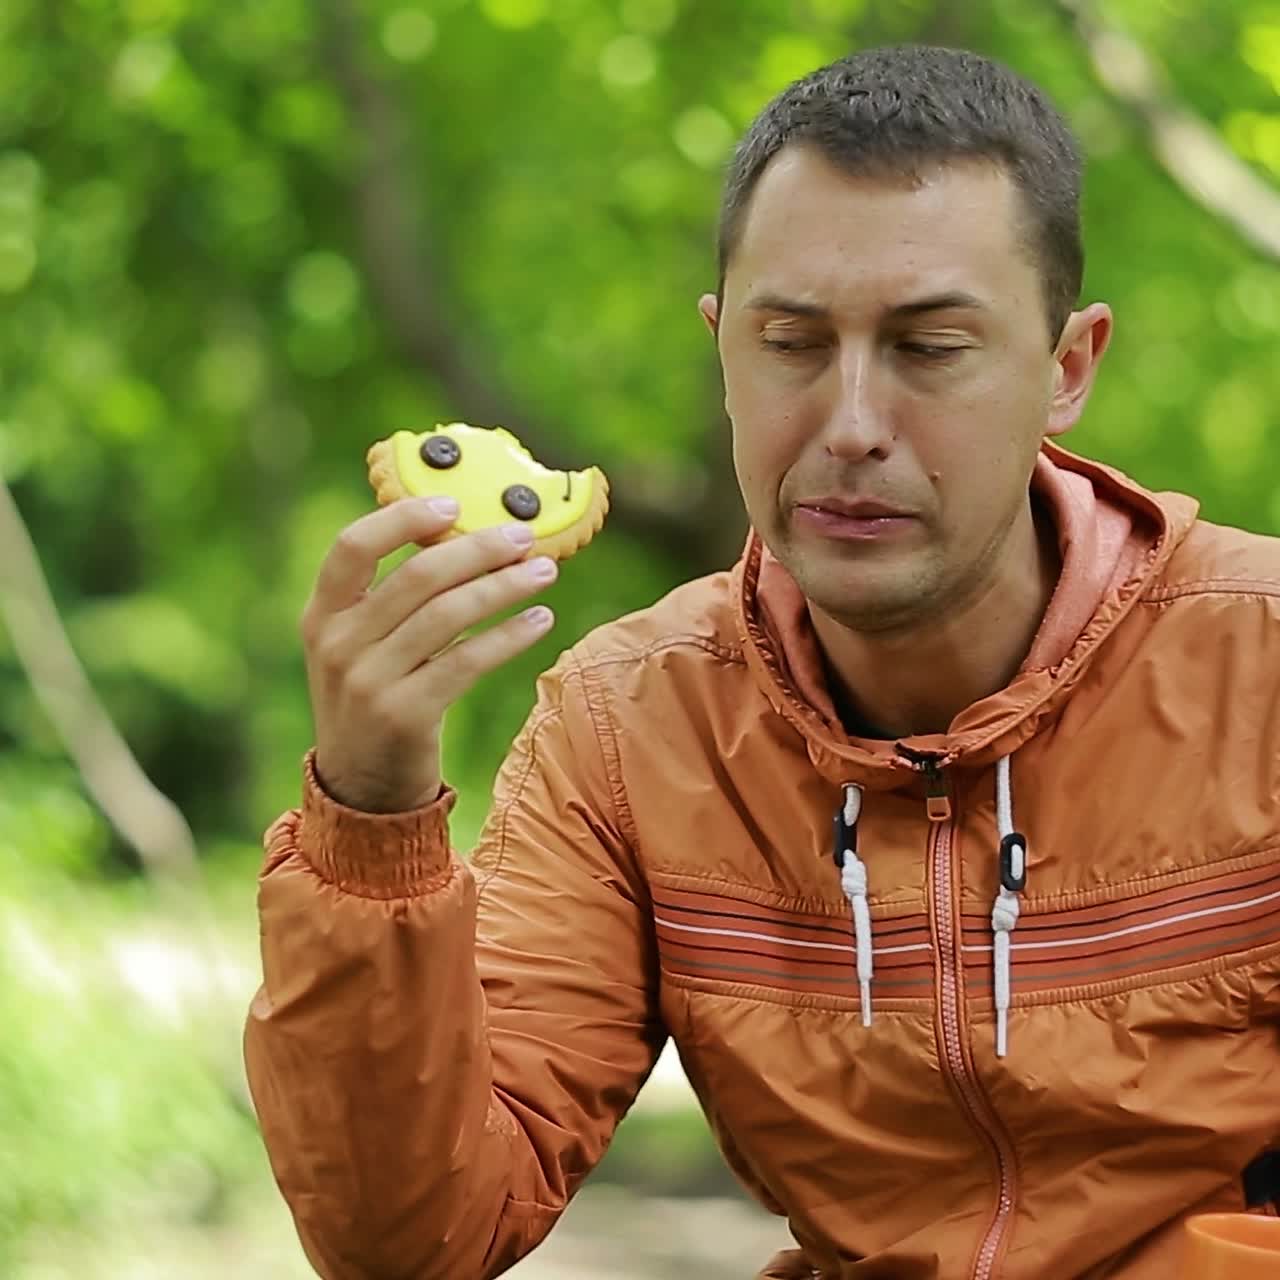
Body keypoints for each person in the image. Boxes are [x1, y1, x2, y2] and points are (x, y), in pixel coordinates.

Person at [243, 43, 1280, 1280]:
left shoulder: (1258, 662)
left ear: (1065, 367)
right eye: (790, 341)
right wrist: (369, 820)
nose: (849, 425)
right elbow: (412, 1242)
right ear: (721, 346)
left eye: (929, 347)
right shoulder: (628, 728)